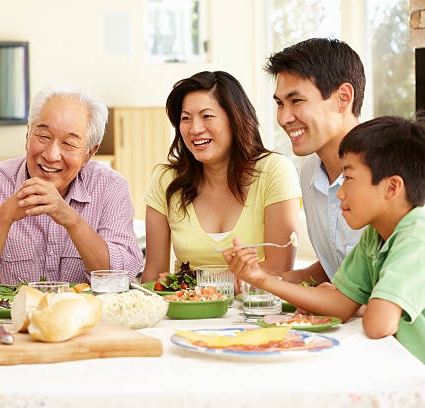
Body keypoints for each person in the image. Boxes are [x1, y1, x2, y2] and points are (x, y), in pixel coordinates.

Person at [224, 116, 425, 363]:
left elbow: (378, 325)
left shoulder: (417, 235)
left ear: (392, 188)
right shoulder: (375, 235)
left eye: (349, 179)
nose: (340, 193)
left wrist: (362, 307)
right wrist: (261, 279)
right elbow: (339, 303)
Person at [0, 87, 143, 295]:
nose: (51, 155)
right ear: (27, 135)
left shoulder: (110, 188)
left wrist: (71, 219)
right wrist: (4, 216)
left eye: (69, 143)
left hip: (85, 322)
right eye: (43, 136)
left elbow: (119, 278)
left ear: (89, 153)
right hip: (6, 324)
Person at [141, 71, 301, 284]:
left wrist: (189, 282)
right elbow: (153, 276)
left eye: (207, 116)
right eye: (185, 118)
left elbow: (278, 270)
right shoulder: (166, 179)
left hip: (255, 311)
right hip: (188, 315)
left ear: (235, 119)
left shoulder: (274, 171)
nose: (195, 129)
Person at [264, 38, 366, 285]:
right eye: (279, 104)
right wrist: (261, 282)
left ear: (343, 98)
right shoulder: (309, 172)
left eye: (296, 101)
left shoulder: (392, 171)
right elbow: (341, 265)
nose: (284, 118)